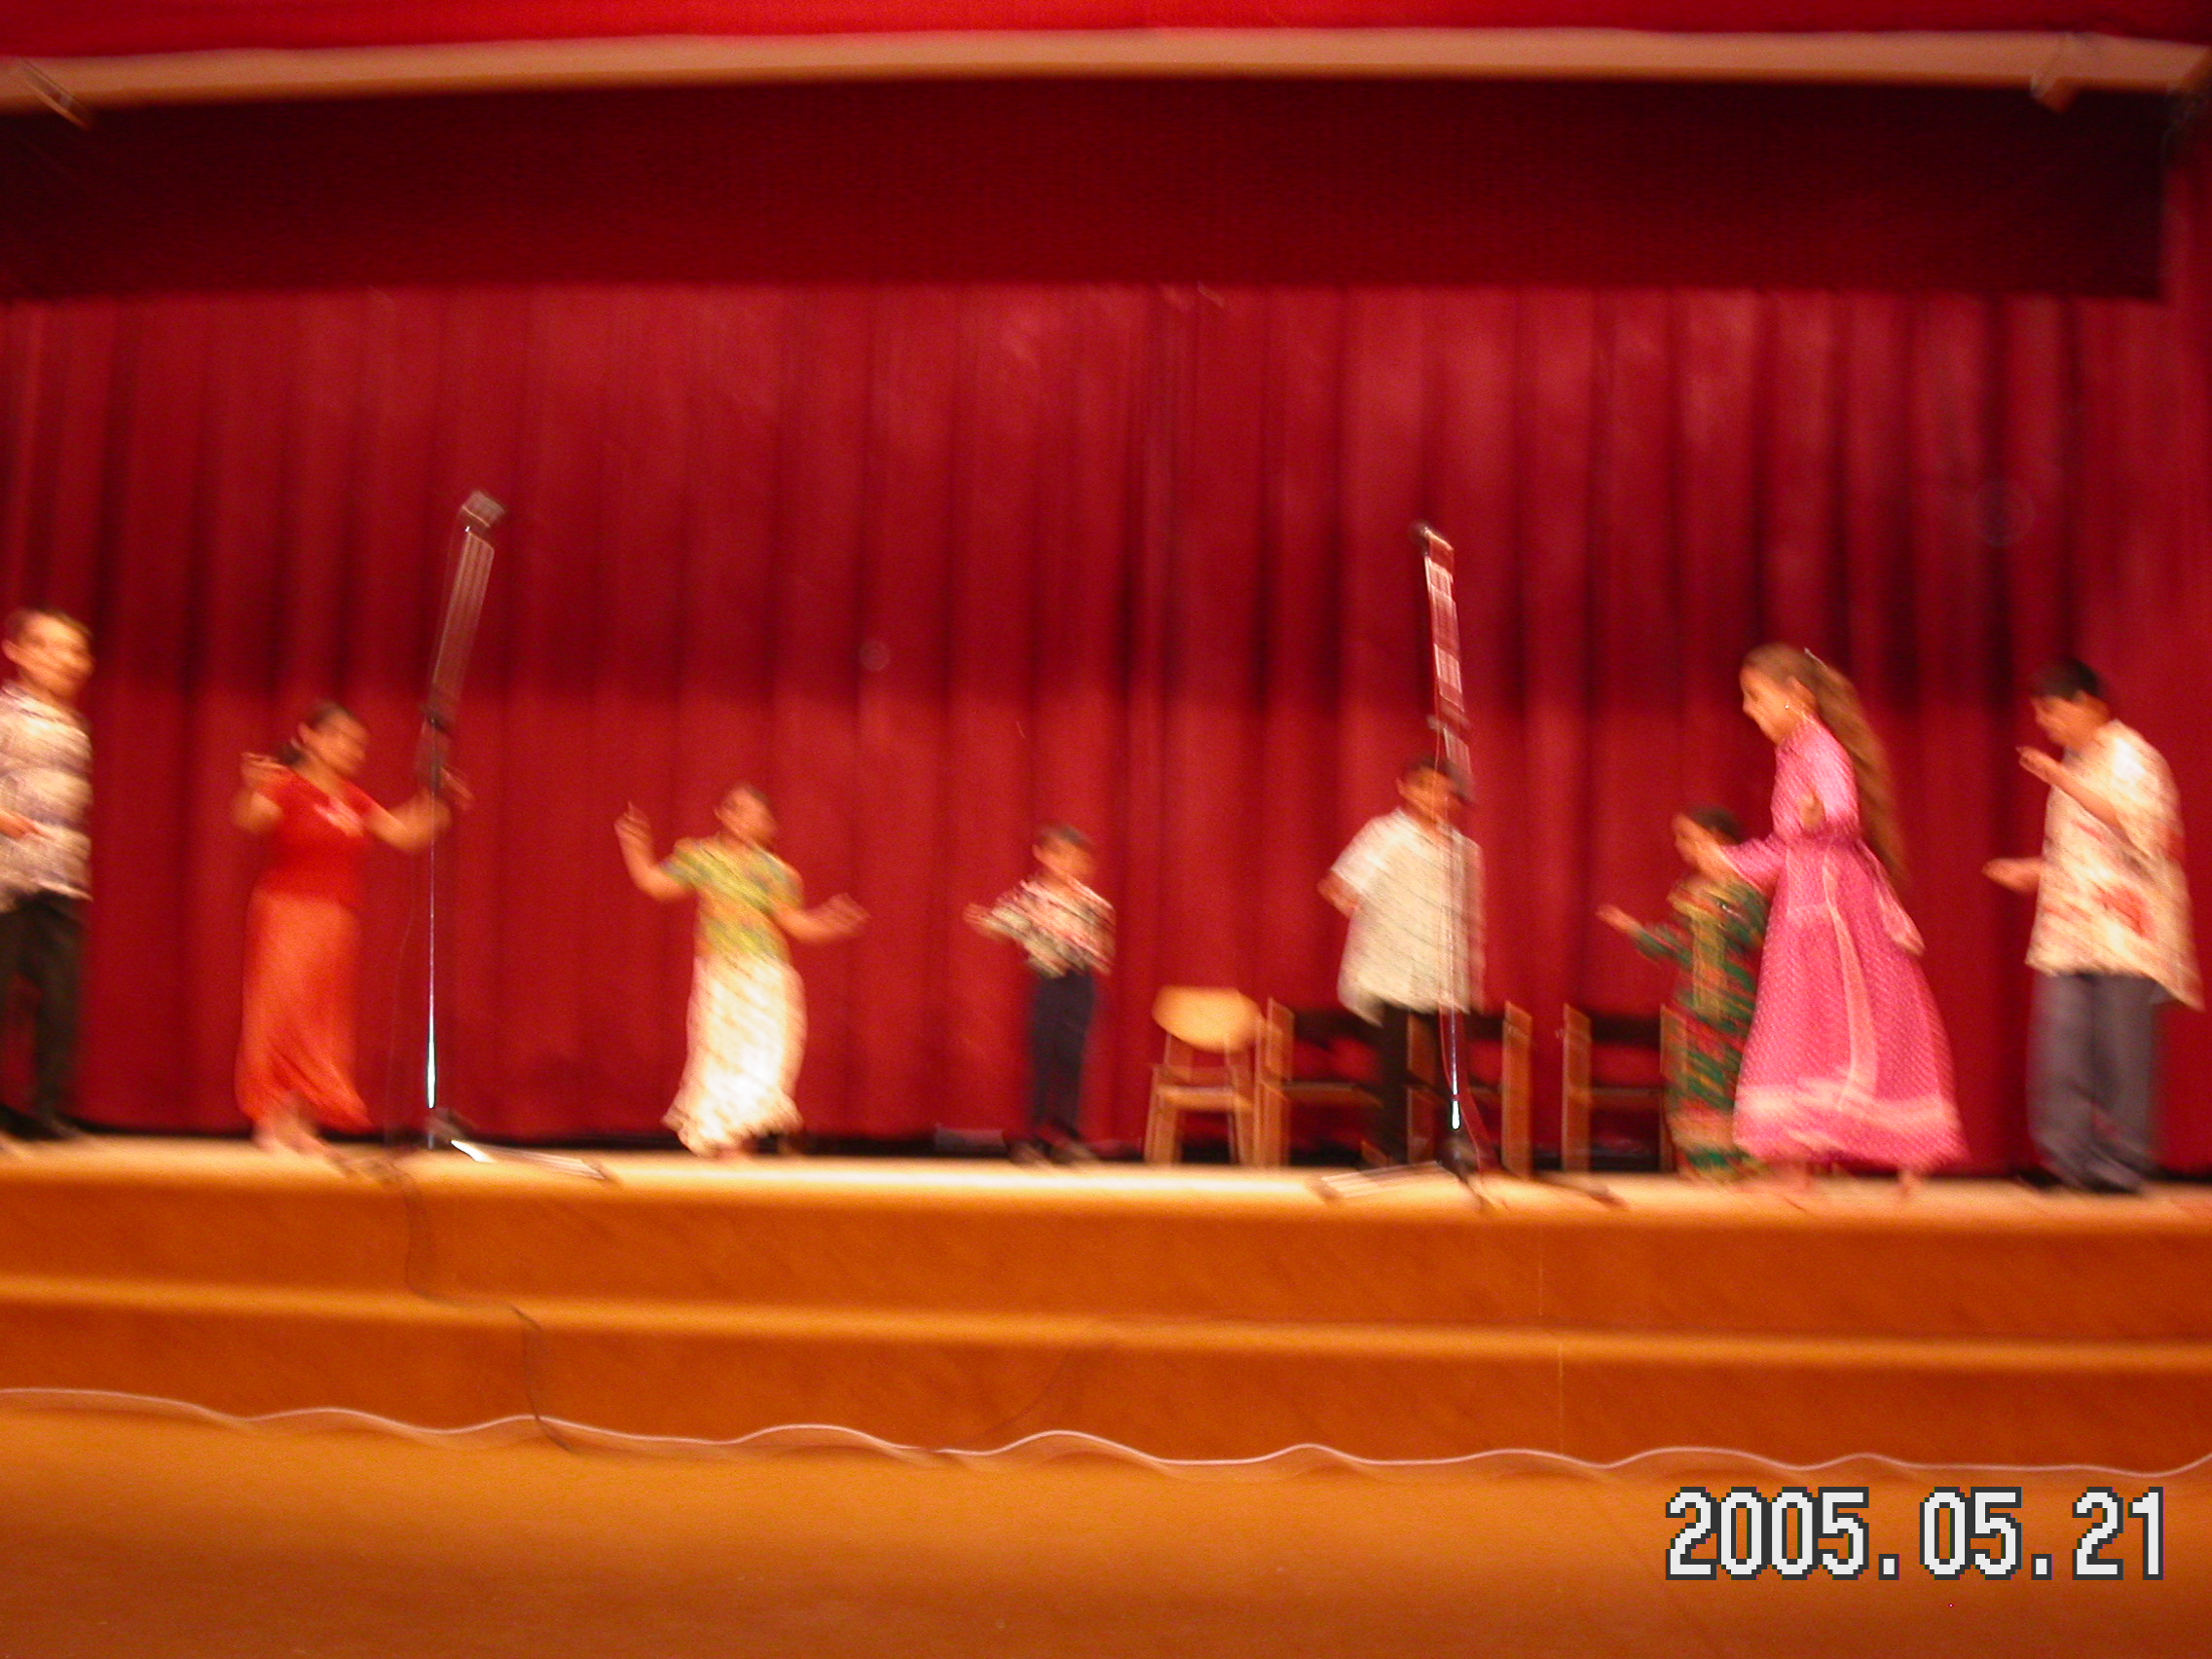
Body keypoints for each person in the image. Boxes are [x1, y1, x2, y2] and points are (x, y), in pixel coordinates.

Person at [1695, 645, 1964, 1196]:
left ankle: (1896, 1152)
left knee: (1834, 1023)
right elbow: (1788, 846)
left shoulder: (1819, 747)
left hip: (1833, 909)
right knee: (1813, 1027)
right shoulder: (1795, 752)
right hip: (1807, 903)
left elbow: (1840, 811)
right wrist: (1730, 863)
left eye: (1756, 696)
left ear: (1797, 695)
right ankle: (1804, 1167)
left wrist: (1822, 814)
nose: (1748, 708)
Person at [1985, 658, 2199, 1195]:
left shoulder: (2135, 758)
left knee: (2121, 1053)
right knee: (2061, 1051)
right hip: (2071, 931)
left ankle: (2122, 1163)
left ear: (2089, 704)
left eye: (2052, 710)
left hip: (2126, 935)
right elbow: (2084, 855)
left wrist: (2062, 779)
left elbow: (2144, 831)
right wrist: (2036, 871)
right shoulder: (2077, 764)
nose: (2045, 723)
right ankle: (2067, 1160)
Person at [233, 703, 457, 1155]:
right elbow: (251, 819)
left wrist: (440, 801)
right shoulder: (287, 785)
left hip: (336, 921)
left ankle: (301, 1121)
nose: (349, 749)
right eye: (338, 737)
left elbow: (405, 833)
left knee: (321, 1023)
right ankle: (272, 1121)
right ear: (309, 737)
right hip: (288, 912)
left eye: (356, 743)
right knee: (282, 1015)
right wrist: (253, 787)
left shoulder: (353, 797)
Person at [617, 787, 865, 1158]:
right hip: (719, 974)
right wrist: (635, 846)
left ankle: (764, 1130)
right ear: (721, 814)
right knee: (721, 1057)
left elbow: (795, 924)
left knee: (763, 1058)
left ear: (769, 826)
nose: (740, 818)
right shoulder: (702, 857)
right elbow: (656, 884)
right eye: (733, 808)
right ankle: (732, 1143)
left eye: (752, 813)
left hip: (765, 975)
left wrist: (829, 923)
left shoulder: (777, 873)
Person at [1322, 756, 1484, 1165]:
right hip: (1392, 967)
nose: (1437, 799)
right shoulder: (1385, 836)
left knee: (1453, 1070)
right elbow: (1339, 885)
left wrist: (1471, 968)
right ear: (1407, 789)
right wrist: (1364, 907)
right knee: (1392, 1065)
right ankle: (1389, 1148)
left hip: (1444, 970)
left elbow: (1469, 914)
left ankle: (1457, 1145)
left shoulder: (1464, 850)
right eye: (1427, 788)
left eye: (1446, 792)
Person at [1599, 806, 1768, 1181]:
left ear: (1717, 839)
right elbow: (1679, 942)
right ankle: (1705, 1163)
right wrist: (1635, 930)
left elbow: (1751, 934)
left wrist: (1722, 886)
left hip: (1734, 1000)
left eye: (1689, 837)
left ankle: (1743, 1162)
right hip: (1692, 1001)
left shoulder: (1748, 888)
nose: (1681, 846)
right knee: (1695, 1081)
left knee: (1733, 1079)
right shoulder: (1689, 889)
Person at [0, 608, 94, 1143]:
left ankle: (44, 1111)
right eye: (49, 647)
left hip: (59, 877)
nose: (64, 660)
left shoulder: (73, 724)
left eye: (74, 651)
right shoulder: (5, 713)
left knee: (61, 1000)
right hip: (6, 876)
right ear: (18, 651)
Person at [966, 825, 1114, 1165]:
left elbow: (1104, 946)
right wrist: (987, 922)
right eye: (1059, 855)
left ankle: (1070, 1139)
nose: (1067, 864)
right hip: (1049, 983)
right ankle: (1033, 1139)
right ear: (1042, 856)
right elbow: (1004, 928)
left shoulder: (1091, 902)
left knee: (1075, 1060)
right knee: (1043, 1058)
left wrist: (1093, 944)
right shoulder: (1029, 897)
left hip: (1082, 983)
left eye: (1076, 858)